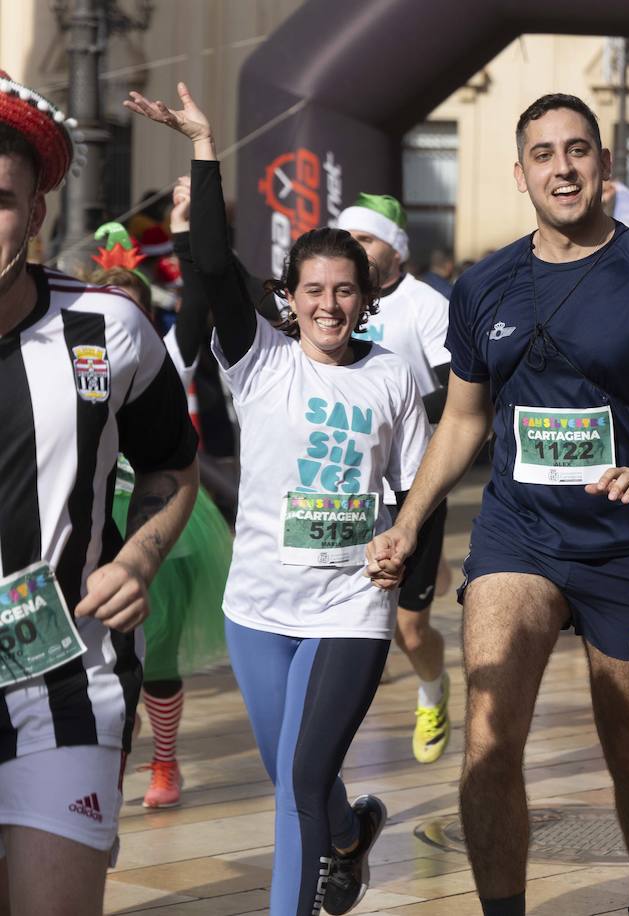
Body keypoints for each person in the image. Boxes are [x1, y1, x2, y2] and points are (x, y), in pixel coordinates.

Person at [364, 92, 629, 916]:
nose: (563, 167)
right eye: (543, 154)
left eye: (578, 150)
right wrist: (407, 520)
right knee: (488, 736)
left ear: (605, 166)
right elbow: (464, 421)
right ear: (521, 174)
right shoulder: (483, 288)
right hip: (522, 533)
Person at [125, 83, 431, 915]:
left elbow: (418, 491)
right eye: (314, 290)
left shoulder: (395, 376)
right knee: (297, 773)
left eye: (346, 291)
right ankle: (347, 834)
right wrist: (203, 144)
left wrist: (413, 576)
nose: (330, 304)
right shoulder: (258, 359)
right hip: (258, 606)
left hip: (348, 606)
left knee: (297, 778)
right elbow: (215, 267)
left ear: (366, 299)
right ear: (288, 298)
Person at [0, 71, 199, 915]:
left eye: (0, 198)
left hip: (62, 680)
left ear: (38, 212)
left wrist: (141, 553)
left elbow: (172, 466)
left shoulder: (109, 328)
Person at [88, 206, 235, 810]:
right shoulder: (63, 356)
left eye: (128, 303)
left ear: (145, 313)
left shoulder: (166, 354)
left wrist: (186, 230)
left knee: (162, 647)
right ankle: (104, 757)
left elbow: (199, 302)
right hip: (92, 513)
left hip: (163, 518)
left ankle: (165, 762)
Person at [338, 194, 456, 765]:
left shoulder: (426, 305)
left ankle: (433, 689)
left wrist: (388, 404)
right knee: (349, 619)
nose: (355, 250)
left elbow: (458, 400)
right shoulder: (337, 303)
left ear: (395, 247)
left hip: (414, 485)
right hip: (347, 484)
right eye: (348, 239)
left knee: (410, 632)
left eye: (365, 239)